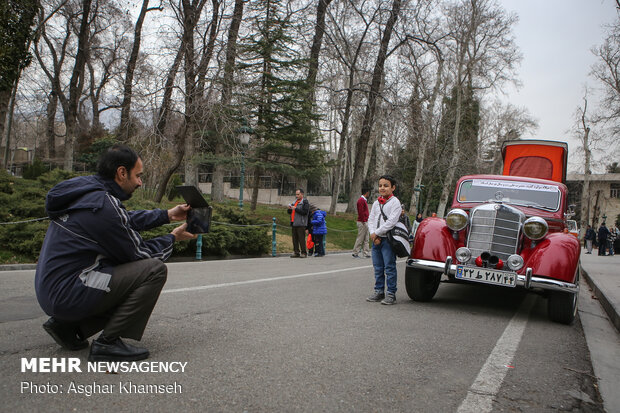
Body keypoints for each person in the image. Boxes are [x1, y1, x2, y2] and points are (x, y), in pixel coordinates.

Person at [35, 144, 196, 362]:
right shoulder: (103, 206)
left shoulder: (87, 191)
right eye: (138, 176)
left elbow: (123, 220)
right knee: (153, 271)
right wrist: (172, 238)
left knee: (112, 272)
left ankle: (67, 327)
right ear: (122, 173)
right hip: (67, 294)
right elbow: (141, 255)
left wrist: (166, 215)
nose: (140, 182)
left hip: (52, 289)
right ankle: (107, 343)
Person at [366, 175, 401, 305]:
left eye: (386, 185)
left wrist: (377, 233)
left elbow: (391, 222)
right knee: (378, 267)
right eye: (380, 185)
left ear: (393, 187)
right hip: (376, 239)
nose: (382, 188)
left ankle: (391, 293)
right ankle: (379, 291)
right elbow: (371, 219)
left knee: (389, 267)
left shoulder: (395, 202)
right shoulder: (376, 203)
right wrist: (372, 234)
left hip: (387, 240)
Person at [287, 188, 310, 258]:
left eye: (298, 194)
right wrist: (289, 209)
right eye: (296, 194)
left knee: (301, 239)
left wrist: (296, 209)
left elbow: (305, 212)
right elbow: (289, 212)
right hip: (294, 223)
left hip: (301, 223)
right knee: (294, 239)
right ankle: (296, 252)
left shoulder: (305, 202)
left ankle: (304, 253)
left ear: (302, 194)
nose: (296, 195)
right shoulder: (294, 202)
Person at [352, 189, 371, 258]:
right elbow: (361, 212)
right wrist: (363, 221)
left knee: (366, 238)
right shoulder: (361, 200)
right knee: (360, 238)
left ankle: (366, 253)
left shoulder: (364, 200)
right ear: (366, 192)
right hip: (362, 222)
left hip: (366, 221)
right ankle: (355, 252)